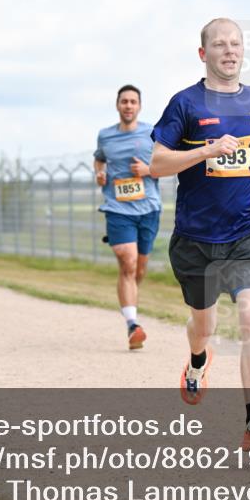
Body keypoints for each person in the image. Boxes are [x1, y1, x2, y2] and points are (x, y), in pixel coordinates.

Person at [149, 18, 250, 450]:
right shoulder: (185, 104)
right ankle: (197, 361)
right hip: (197, 236)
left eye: (236, 44)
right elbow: (158, 163)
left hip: (249, 229)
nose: (229, 50)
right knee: (204, 324)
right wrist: (207, 150)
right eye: (220, 44)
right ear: (204, 54)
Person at [94, 84, 162, 350]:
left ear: (139, 106)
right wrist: (99, 174)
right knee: (128, 262)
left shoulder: (152, 134)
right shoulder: (105, 136)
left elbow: (167, 163)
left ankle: (131, 301)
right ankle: (132, 324)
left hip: (148, 209)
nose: (129, 106)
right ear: (117, 105)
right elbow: (99, 160)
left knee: (139, 269)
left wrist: (148, 169)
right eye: (124, 101)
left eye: (133, 101)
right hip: (117, 208)